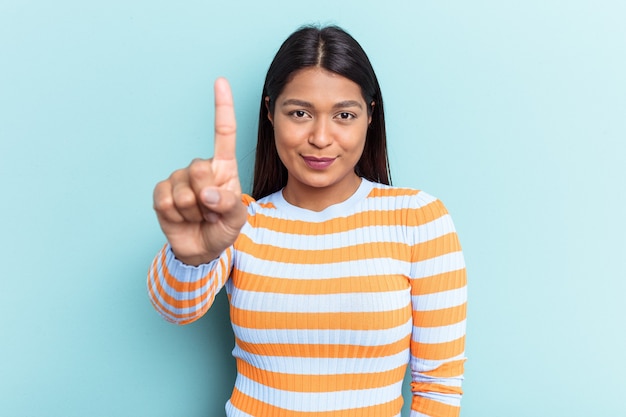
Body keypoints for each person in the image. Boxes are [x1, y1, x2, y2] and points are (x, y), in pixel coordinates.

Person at [148, 25, 467, 417]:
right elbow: (175, 308)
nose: (320, 137)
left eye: (344, 115)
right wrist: (192, 256)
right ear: (269, 112)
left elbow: (439, 386)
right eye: (300, 113)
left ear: (370, 116)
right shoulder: (239, 220)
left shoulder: (418, 219)